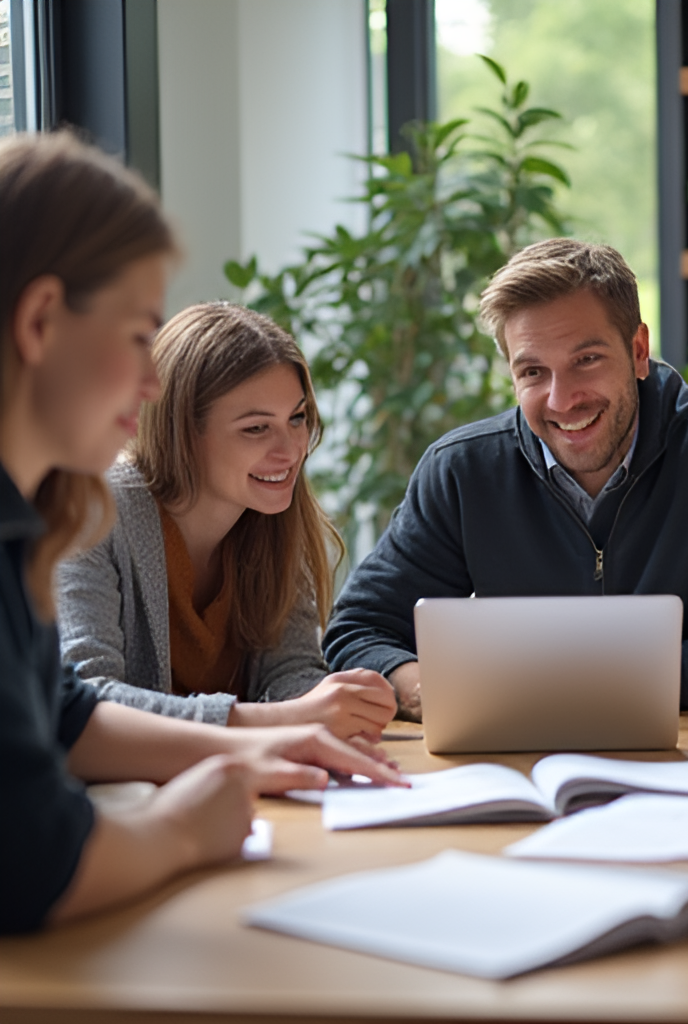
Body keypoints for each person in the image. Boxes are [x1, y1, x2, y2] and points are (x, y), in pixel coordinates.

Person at [0, 131, 404, 936]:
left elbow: (66, 712)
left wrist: (258, 741)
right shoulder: (78, 511)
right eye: (134, 336)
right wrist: (189, 821)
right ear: (42, 320)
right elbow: (35, 861)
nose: (148, 383)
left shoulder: (24, 521)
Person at [324, 238, 688, 718]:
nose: (562, 400)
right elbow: (358, 631)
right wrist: (431, 689)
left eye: (586, 360)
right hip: (509, 757)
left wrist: (514, 688)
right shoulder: (461, 471)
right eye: (532, 372)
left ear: (637, 350)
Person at [56, 302, 396, 740]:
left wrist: (332, 699)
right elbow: (87, 700)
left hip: (241, 787)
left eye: (296, 418)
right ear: (181, 430)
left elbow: (288, 671)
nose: (291, 450)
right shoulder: (94, 512)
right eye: (256, 428)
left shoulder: (270, 520)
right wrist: (289, 718)